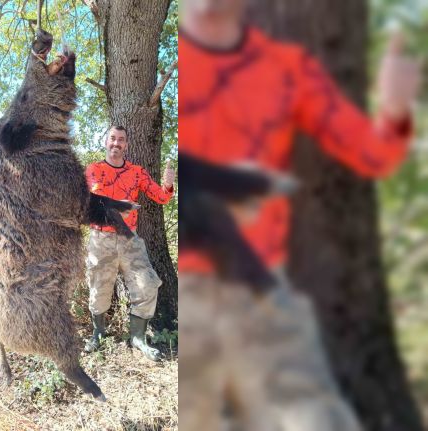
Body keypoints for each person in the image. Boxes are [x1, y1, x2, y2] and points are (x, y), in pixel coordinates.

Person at [177, 0, 422, 430]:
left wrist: (395, 110)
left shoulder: (285, 68)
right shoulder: (176, 60)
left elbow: (372, 154)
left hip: (262, 297)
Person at [83, 125, 176, 362]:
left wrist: (168, 185)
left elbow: (162, 198)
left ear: (126, 145)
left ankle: (138, 338)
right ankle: (98, 333)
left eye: (121, 140)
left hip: (129, 238)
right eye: (112, 138)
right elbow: (87, 205)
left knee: (147, 284)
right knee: (99, 287)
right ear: (106, 141)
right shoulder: (93, 170)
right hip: (100, 239)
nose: (116, 143)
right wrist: (115, 208)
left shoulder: (136, 171)